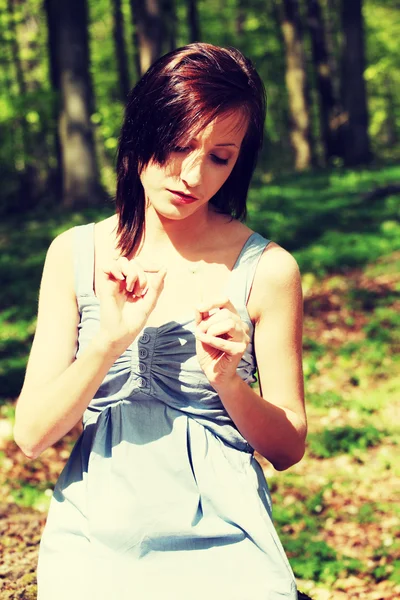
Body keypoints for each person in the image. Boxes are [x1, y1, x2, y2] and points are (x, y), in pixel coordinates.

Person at [14, 42, 306, 599]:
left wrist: (228, 381)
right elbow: (31, 435)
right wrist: (109, 339)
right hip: (94, 542)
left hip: (229, 542)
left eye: (220, 157)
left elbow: (288, 448)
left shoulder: (268, 270)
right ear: (143, 131)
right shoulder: (74, 254)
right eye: (177, 146)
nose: (193, 175)